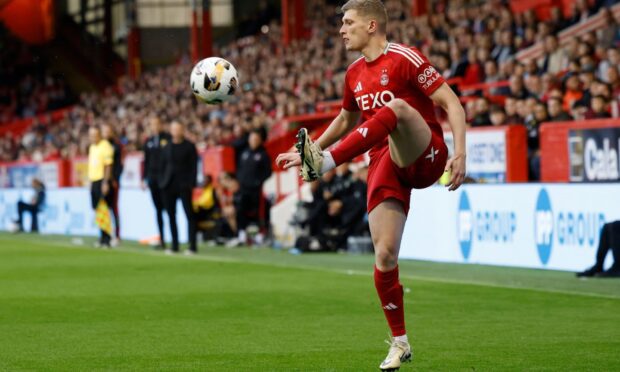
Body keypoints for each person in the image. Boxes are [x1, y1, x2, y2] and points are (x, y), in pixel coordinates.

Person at [276, 1, 466, 370]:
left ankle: (328, 165)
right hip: (384, 162)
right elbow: (346, 119)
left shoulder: (405, 58)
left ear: (372, 25)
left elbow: (452, 103)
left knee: (395, 109)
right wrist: (310, 149)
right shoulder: (353, 74)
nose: (342, 30)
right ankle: (400, 342)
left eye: (348, 23)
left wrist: (461, 153)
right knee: (384, 255)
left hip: (425, 153)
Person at [159, 121, 198, 255]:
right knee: (171, 215)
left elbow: (194, 167)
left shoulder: (189, 146)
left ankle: (192, 245)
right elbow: (162, 166)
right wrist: (162, 182)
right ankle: (174, 245)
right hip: (169, 185)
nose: (176, 131)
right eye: (173, 129)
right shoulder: (166, 147)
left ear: (182, 130)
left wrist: (191, 183)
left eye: (178, 129)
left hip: (184, 185)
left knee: (189, 214)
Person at [230, 128, 272, 246]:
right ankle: (241, 234)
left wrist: (258, 182)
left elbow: (268, 172)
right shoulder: (244, 153)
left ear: (260, 140)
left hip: (256, 190)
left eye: (255, 139)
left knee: (259, 212)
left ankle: (260, 235)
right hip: (243, 188)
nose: (253, 141)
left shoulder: (263, 155)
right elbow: (239, 169)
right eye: (251, 138)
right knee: (240, 210)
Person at [142, 116, 171, 249]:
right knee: (158, 210)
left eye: (156, 124)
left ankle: (174, 240)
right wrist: (144, 178)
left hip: (165, 180)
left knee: (170, 210)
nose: (154, 126)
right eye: (152, 124)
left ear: (161, 124)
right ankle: (162, 239)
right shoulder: (148, 142)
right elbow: (146, 162)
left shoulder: (168, 138)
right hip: (153, 180)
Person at [88, 126, 114, 247]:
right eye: (91, 135)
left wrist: (105, 182)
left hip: (101, 180)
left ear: (99, 135)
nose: (92, 137)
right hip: (94, 181)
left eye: (94, 135)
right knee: (97, 210)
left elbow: (108, 165)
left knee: (103, 209)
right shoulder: (92, 147)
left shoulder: (106, 146)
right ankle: (101, 236)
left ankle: (107, 238)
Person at [102, 124, 123, 245]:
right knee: (103, 209)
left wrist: (115, 179)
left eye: (108, 131)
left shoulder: (116, 146)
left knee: (114, 209)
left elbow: (119, 164)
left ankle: (117, 235)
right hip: (102, 181)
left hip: (112, 181)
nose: (106, 133)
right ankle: (105, 235)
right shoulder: (99, 146)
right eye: (104, 131)